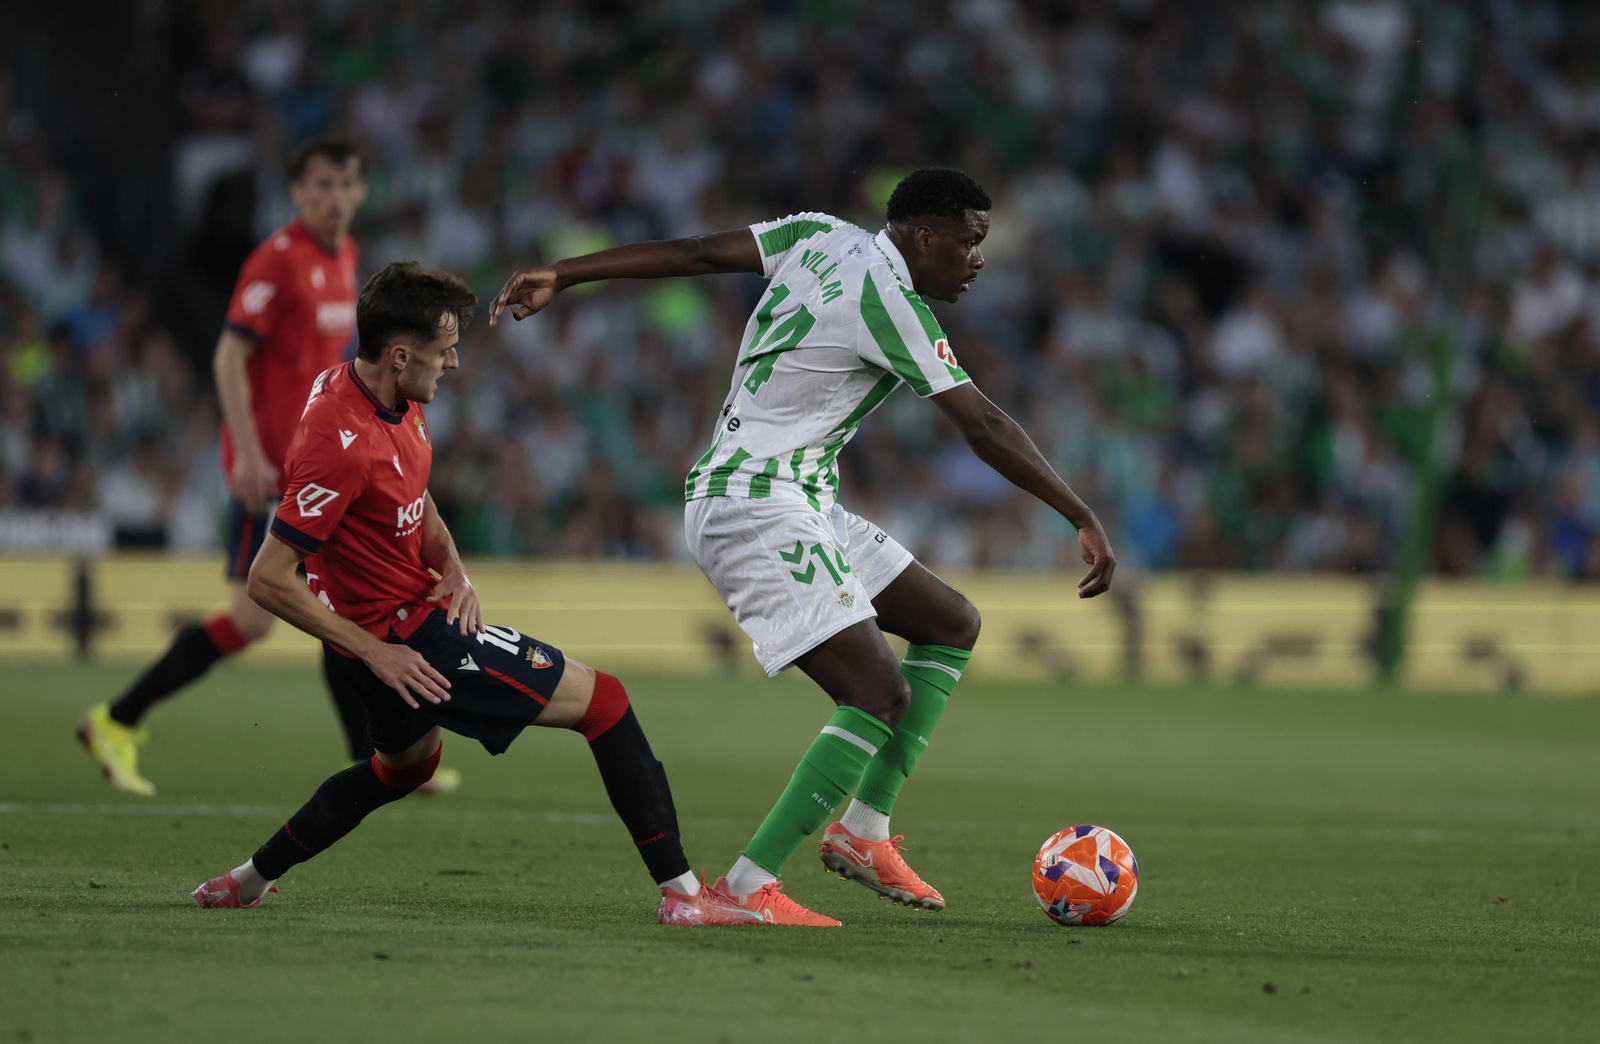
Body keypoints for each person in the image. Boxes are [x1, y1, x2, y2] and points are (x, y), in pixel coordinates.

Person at [490, 166, 1116, 926]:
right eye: (970, 241)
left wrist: (566, 272)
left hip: (800, 497)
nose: (979, 259)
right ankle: (746, 885)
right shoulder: (894, 304)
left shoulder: (818, 233)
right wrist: (1078, 512)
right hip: (755, 504)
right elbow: (982, 426)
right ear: (925, 237)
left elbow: (692, 254)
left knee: (950, 622)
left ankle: (863, 830)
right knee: (878, 692)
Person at [192, 261, 731, 926]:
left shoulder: (390, 395)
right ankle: (682, 895)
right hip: (408, 641)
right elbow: (268, 578)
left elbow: (413, 497)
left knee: (402, 773)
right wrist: (377, 652)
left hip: (395, 635)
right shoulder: (339, 443)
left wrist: (453, 568)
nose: (453, 363)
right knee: (607, 703)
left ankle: (246, 880)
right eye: (444, 350)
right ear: (400, 354)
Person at [75, 137, 458, 796]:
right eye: (321, 185)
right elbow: (229, 357)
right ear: (296, 192)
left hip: (320, 466)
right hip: (274, 469)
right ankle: (117, 717)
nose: (334, 198)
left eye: (345, 185)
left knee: (335, 605)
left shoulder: (346, 260)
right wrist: (247, 451)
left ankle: (376, 754)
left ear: (360, 192)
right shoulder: (276, 261)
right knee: (259, 614)